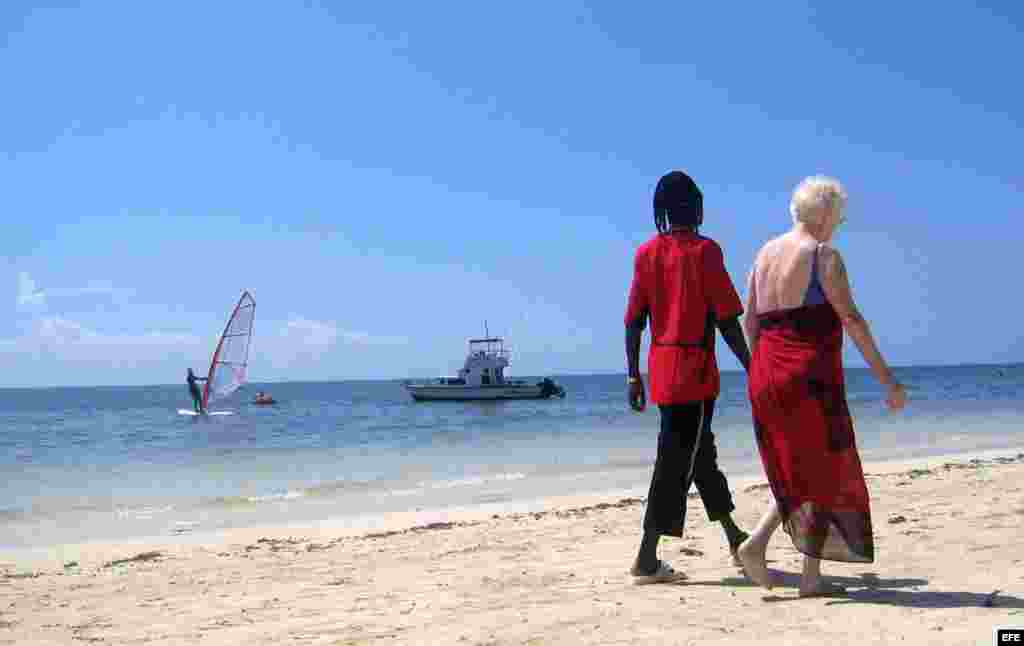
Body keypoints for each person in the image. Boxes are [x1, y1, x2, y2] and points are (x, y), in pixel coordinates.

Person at [736, 176, 907, 597]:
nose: (839, 224)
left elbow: (750, 321)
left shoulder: (764, 255)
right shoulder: (822, 255)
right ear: (827, 213)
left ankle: (806, 573)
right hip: (808, 374)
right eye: (840, 216)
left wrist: (763, 369)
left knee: (803, 466)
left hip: (766, 372)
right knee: (822, 463)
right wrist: (887, 379)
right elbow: (851, 318)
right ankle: (762, 547)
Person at [625, 170, 753, 584]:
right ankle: (646, 558)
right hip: (694, 375)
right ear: (696, 208)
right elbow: (727, 319)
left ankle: (735, 538)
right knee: (674, 462)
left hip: (662, 372)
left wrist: (633, 376)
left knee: (698, 454)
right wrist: (753, 366)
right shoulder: (705, 252)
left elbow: (633, 321)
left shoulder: (646, 253)